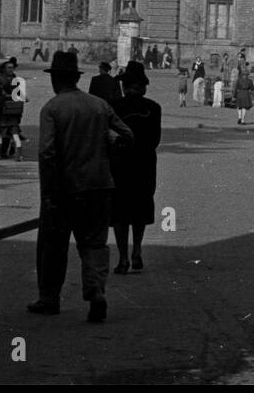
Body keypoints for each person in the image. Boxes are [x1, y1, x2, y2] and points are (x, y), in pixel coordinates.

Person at [29, 51, 134, 322]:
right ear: (75, 78)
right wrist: (106, 143)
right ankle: (96, 290)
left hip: (64, 189)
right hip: (100, 186)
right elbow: (126, 135)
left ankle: (49, 299)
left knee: (54, 246)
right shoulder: (98, 105)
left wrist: (48, 193)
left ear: (55, 80)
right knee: (94, 244)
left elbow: (47, 154)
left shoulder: (52, 109)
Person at [109, 62, 162, 274]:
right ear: (143, 87)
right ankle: (137, 250)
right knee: (139, 210)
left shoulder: (114, 106)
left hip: (121, 164)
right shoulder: (154, 107)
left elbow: (110, 137)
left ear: (124, 86)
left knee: (120, 213)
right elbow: (155, 140)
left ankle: (123, 258)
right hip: (144, 164)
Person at [0, 59, 27, 159]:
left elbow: (18, 92)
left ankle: (16, 154)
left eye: (12, 68)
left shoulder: (15, 79)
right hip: (3, 110)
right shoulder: (0, 79)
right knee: (3, 134)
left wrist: (22, 96)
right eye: (9, 67)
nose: (11, 69)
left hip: (13, 110)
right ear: (3, 69)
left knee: (11, 133)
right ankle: (0, 153)